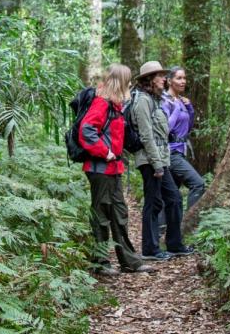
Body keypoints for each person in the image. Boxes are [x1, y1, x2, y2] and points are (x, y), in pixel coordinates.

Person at [79, 63, 155, 275]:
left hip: (113, 169)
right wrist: (105, 152)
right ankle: (100, 262)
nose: (130, 84)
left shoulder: (115, 106)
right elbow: (86, 131)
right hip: (99, 168)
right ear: (120, 81)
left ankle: (130, 261)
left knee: (120, 213)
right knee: (101, 214)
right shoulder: (101, 104)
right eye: (128, 80)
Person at [132, 60, 195, 261]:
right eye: (159, 76)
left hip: (161, 159)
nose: (163, 79)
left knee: (174, 199)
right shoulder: (142, 100)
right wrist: (157, 163)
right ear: (150, 80)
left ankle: (175, 244)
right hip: (150, 160)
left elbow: (163, 131)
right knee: (153, 202)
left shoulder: (156, 100)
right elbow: (146, 135)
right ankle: (150, 249)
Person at [161, 66, 206, 212]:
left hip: (180, 151)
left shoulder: (181, 100)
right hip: (171, 153)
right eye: (179, 78)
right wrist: (175, 109)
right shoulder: (165, 101)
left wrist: (189, 109)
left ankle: (162, 230)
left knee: (171, 195)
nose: (183, 81)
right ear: (169, 81)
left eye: (184, 78)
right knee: (198, 184)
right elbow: (165, 128)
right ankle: (189, 222)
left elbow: (187, 128)